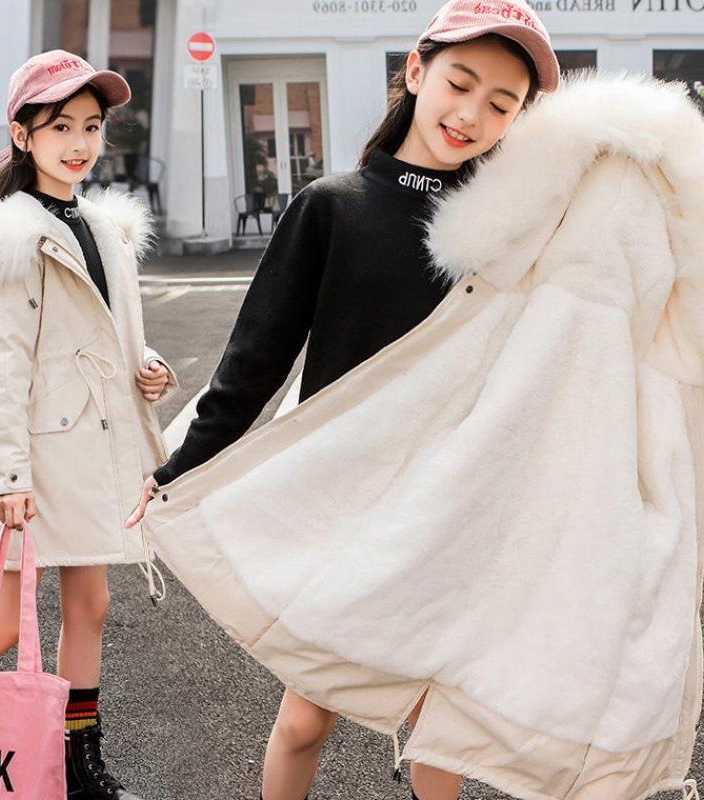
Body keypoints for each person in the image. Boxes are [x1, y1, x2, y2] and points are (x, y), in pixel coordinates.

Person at [127, 2, 558, 799]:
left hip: (455, 508)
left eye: (502, 104)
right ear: (417, 71)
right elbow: (254, 361)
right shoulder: (333, 206)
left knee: (445, 733)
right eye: (460, 83)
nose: (472, 114)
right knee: (304, 720)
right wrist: (179, 469)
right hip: (344, 506)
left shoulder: (512, 232)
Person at [0, 50, 176, 800]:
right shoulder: (10, 236)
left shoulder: (103, 227)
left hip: (92, 451)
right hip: (39, 461)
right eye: (60, 126)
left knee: (91, 606)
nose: (79, 142)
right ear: (22, 135)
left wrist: (147, 363)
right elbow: (1, 369)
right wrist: (6, 478)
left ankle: (79, 763)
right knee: (4, 624)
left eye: (90, 125)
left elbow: (107, 333)